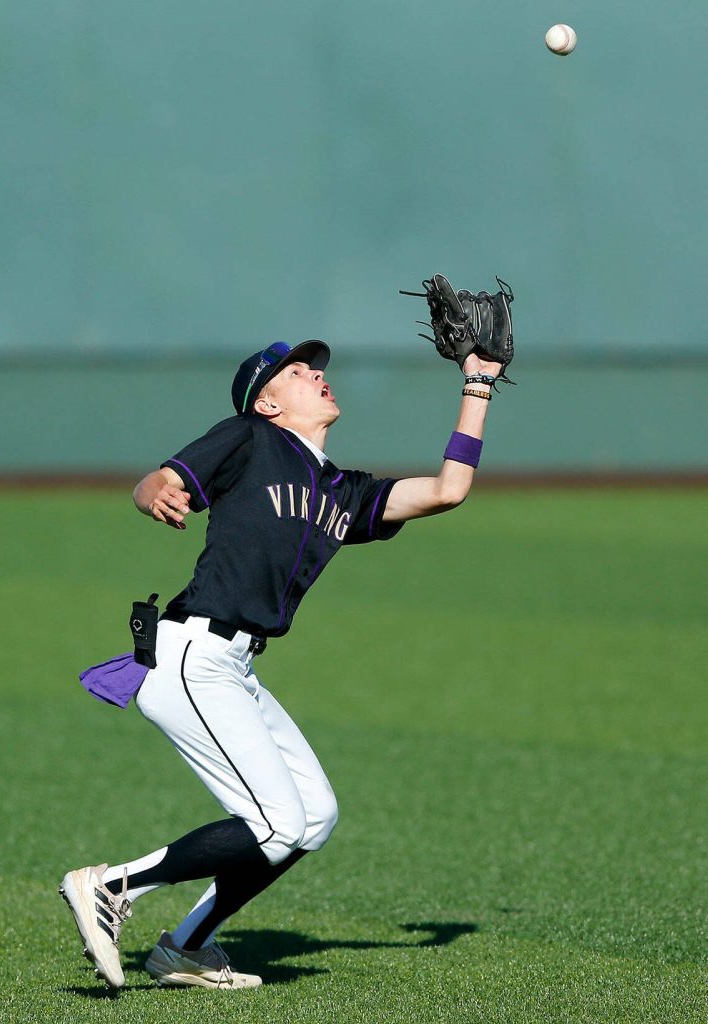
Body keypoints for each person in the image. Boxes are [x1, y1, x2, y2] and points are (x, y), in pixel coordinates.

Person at [59, 337, 502, 991]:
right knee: (275, 821)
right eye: (298, 371)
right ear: (267, 401)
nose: (316, 375)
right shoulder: (248, 438)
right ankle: (113, 885)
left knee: (312, 818)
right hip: (191, 654)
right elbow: (158, 480)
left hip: (234, 666)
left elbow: (447, 489)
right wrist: (151, 491)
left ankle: (185, 947)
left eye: (316, 368)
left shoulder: (341, 491)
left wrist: (477, 385)